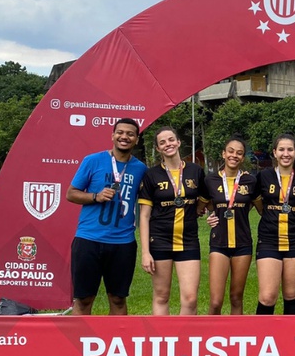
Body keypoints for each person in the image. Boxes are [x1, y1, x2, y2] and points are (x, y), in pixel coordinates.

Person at [66, 118, 147, 315]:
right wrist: (96, 196)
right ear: (112, 136)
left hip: (123, 242)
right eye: (120, 132)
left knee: (118, 299)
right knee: (84, 299)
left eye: (130, 134)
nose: (124, 137)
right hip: (88, 239)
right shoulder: (92, 161)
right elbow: (71, 193)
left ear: (136, 139)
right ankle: (77, 343)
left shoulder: (141, 169)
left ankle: (116, 343)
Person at [138, 127, 209, 315]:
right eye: (162, 142)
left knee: (191, 298)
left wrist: (203, 211)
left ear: (178, 142)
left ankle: (184, 342)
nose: (167, 144)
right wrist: (145, 252)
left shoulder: (195, 170)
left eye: (171, 140)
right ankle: (162, 342)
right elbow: (144, 216)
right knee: (161, 295)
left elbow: (205, 198)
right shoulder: (151, 175)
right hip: (160, 240)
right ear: (158, 148)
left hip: (188, 240)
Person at [254, 133, 295, 315]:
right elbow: (257, 204)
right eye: (281, 149)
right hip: (269, 240)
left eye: (290, 149)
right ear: (274, 152)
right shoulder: (263, 176)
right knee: (267, 296)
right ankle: (262, 339)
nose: (286, 153)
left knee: (291, 294)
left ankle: (289, 340)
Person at [204, 134, 261, 315]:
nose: (234, 156)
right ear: (223, 153)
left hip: (242, 243)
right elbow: (201, 207)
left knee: (236, 297)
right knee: (215, 301)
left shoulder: (250, 181)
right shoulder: (210, 180)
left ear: (243, 157)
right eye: (230, 151)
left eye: (239, 153)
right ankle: (210, 336)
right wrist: (209, 214)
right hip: (219, 243)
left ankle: (236, 338)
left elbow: (261, 208)